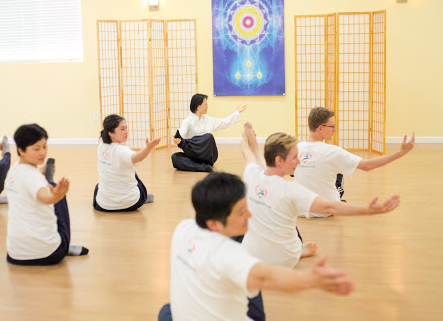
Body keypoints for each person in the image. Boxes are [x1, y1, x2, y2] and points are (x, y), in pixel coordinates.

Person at [158, 172, 355, 321]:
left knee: (167, 312)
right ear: (214, 223)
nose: (250, 216)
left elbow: (193, 208)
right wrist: (311, 279)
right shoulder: (230, 254)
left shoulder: (182, 229)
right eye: (241, 212)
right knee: (251, 283)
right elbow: (268, 277)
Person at [240, 123, 401, 269]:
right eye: (295, 157)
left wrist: (245, 136)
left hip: (252, 256)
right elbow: (330, 206)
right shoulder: (291, 190)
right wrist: (368, 210)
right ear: (279, 160)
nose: (299, 162)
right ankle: (299, 250)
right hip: (284, 260)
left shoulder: (251, 175)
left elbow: (249, 151)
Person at [294, 107, 415, 217]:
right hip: (326, 210)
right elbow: (367, 165)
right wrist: (400, 153)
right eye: (332, 126)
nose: (335, 130)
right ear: (320, 128)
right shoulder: (333, 151)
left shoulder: (295, 148)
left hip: (300, 209)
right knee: (339, 169)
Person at [6, 123, 88, 266]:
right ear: (21, 150)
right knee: (55, 190)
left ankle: (49, 179)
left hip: (15, 254)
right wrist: (58, 195)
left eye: (44, 146)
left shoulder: (14, 171)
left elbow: (30, 182)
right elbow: (46, 198)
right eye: (36, 149)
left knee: (48, 189)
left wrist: (41, 172)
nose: (43, 152)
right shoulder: (34, 178)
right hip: (48, 254)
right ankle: (65, 246)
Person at [93, 114, 159, 212]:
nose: (126, 132)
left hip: (102, 205)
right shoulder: (123, 151)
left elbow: (101, 139)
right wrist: (148, 147)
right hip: (129, 204)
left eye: (126, 128)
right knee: (134, 174)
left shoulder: (101, 146)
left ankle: (110, 199)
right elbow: (137, 157)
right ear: (111, 133)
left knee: (99, 186)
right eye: (122, 129)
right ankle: (143, 197)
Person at [171, 93, 247, 172]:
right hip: (193, 155)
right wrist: (177, 138)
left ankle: (197, 165)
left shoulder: (208, 120)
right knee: (175, 157)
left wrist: (236, 113)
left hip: (207, 156)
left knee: (208, 137)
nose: (207, 107)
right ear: (198, 106)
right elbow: (182, 130)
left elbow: (224, 122)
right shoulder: (187, 121)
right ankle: (202, 167)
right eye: (205, 104)